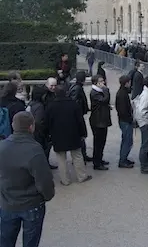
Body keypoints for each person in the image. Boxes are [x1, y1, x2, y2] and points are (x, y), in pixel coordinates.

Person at [0, 111, 55, 247]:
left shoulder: (2, 147)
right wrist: (47, 196)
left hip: (7, 203)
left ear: (13, 126)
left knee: (6, 240)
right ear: (31, 127)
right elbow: (44, 181)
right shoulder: (34, 150)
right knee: (30, 242)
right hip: (31, 204)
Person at [46, 86, 92, 186]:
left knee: (61, 158)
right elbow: (80, 121)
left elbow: (48, 122)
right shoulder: (73, 105)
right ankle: (81, 176)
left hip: (57, 135)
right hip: (73, 134)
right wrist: (83, 133)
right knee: (77, 156)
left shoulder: (50, 106)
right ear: (66, 93)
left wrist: (49, 134)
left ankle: (65, 180)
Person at [89, 75, 112, 171]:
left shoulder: (99, 91)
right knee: (98, 143)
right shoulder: (95, 93)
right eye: (101, 81)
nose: (103, 83)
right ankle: (97, 163)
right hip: (98, 122)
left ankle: (99, 159)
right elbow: (104, 100)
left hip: (102, 120)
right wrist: (106, 90)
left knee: (102, 142)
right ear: (96, 83)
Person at [68, 71, 92, 163]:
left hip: (78, 115)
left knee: (81, 136)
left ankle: (83, 155)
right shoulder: (77, 88)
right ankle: (80, 157)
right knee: (80, 136)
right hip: (77, 117)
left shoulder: (76, 87)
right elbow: (75, 103)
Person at [134, 75, 148, 174]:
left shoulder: (146, 93)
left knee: (146, 144)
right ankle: (144, 166)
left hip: (144, 122)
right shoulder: (146, 96)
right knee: (145, 145)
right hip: (145, 123)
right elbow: (142, 111)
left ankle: (145, 164)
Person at [115, 75, 135, 168]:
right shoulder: (122, 94)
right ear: (126, 83)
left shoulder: (122, 93)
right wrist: (130, 119)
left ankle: (124, 158)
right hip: (125, 121)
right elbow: (123, 110)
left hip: (124, 120)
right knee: (127, 141)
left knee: (126, 140)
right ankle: (122, 160)